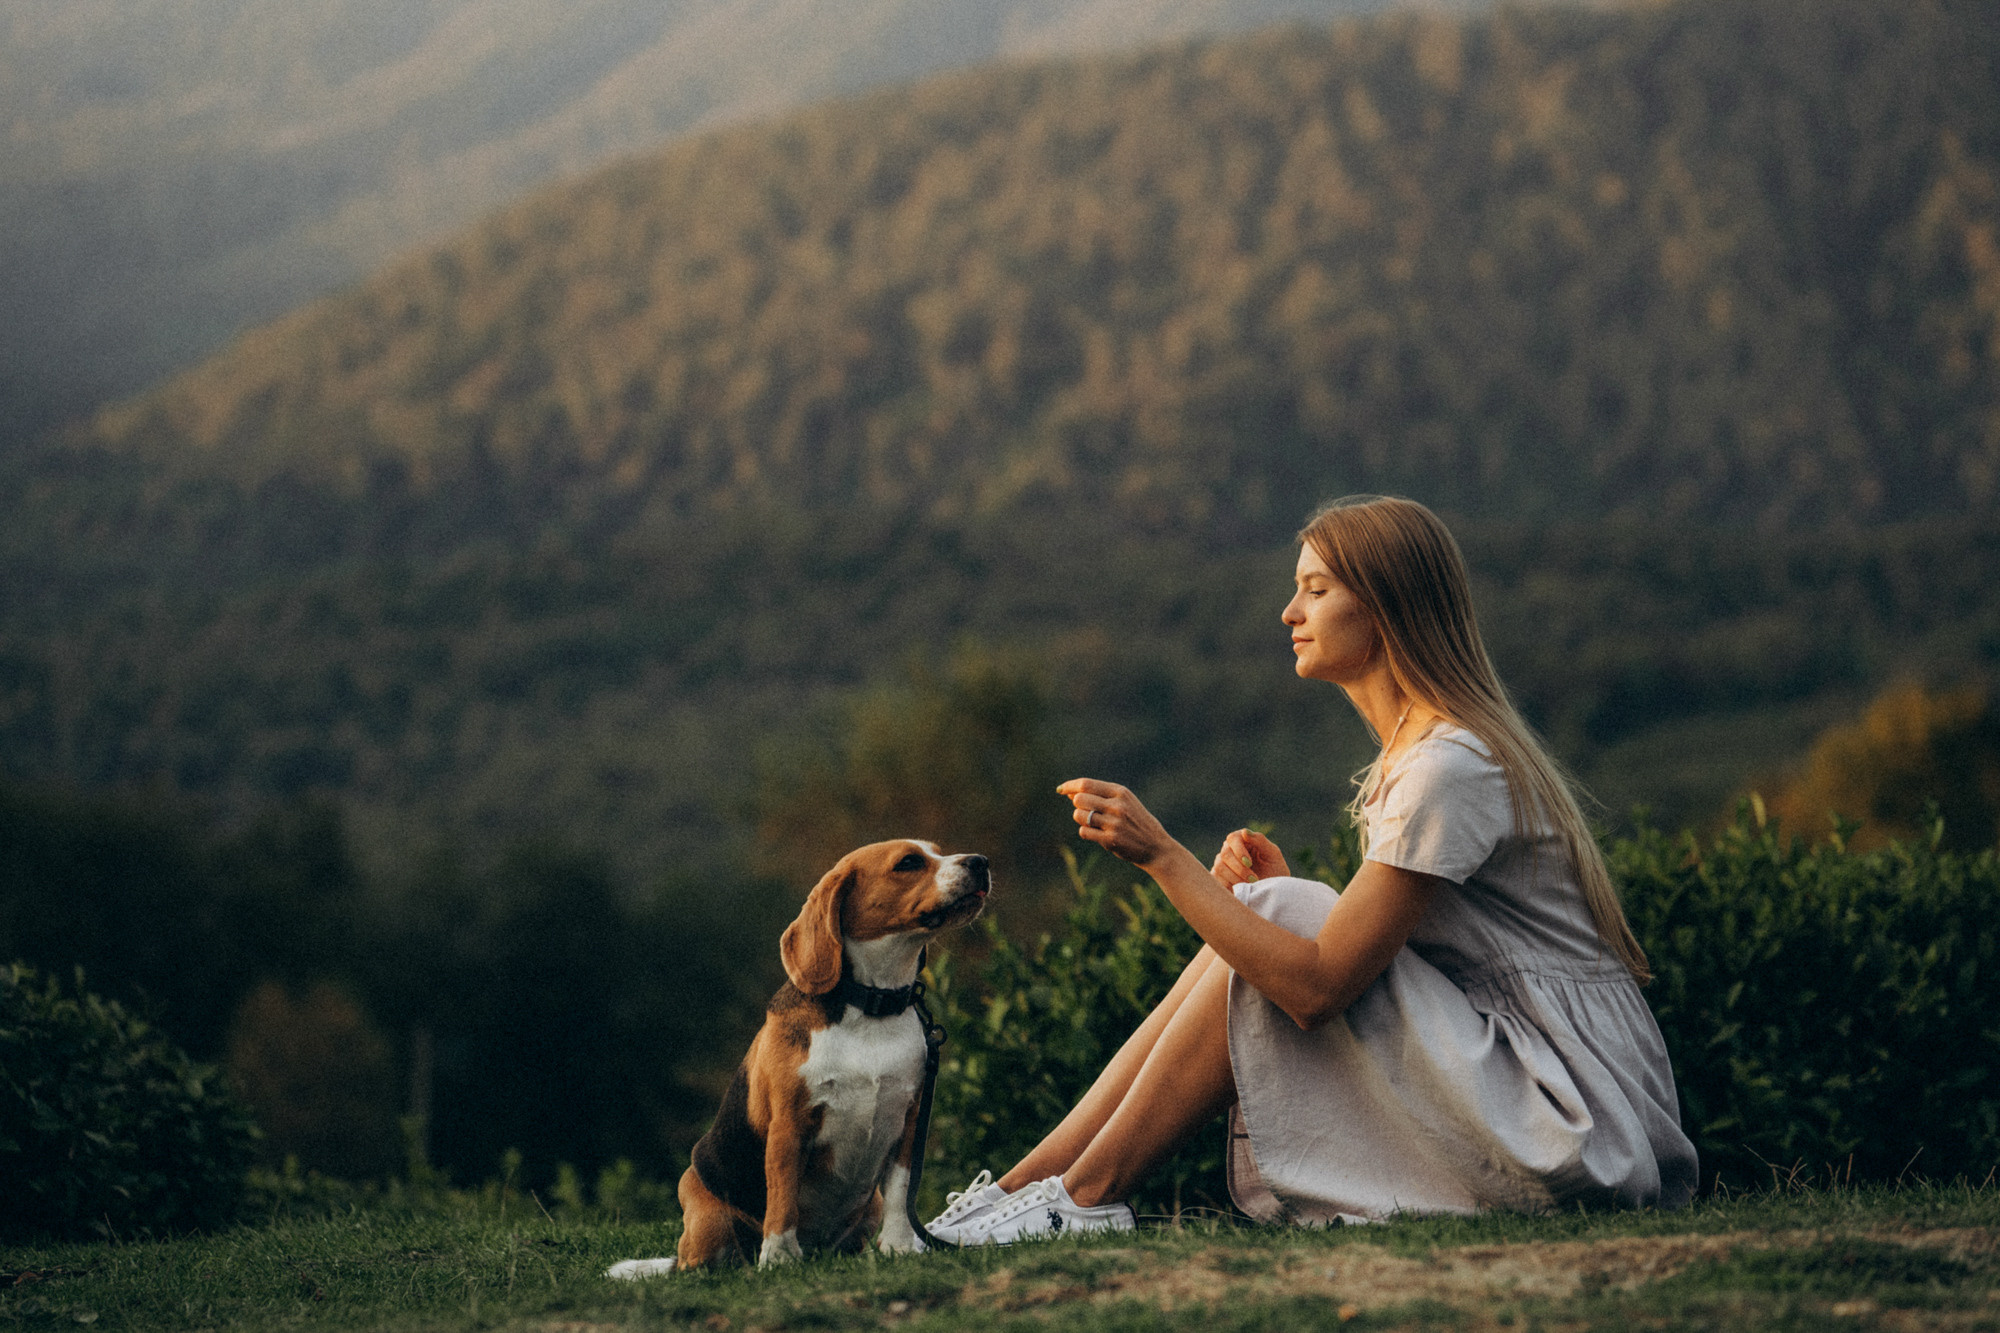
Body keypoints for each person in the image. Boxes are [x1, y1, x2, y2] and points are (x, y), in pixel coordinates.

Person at [926, 495, 1697, 1244]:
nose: (1290, 613)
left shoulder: (1447, 767)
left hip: (1573, 1123)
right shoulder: (1422, 757)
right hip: (1536, 1090)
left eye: (1316, 590)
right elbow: (1391, 957)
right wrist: (1274, 901)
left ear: (1387, 609)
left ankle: (1084, 1198)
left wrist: (1165, 858)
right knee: (1274, 906)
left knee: (1279, 912)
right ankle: (1021, 1192)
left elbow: (1319, 987)